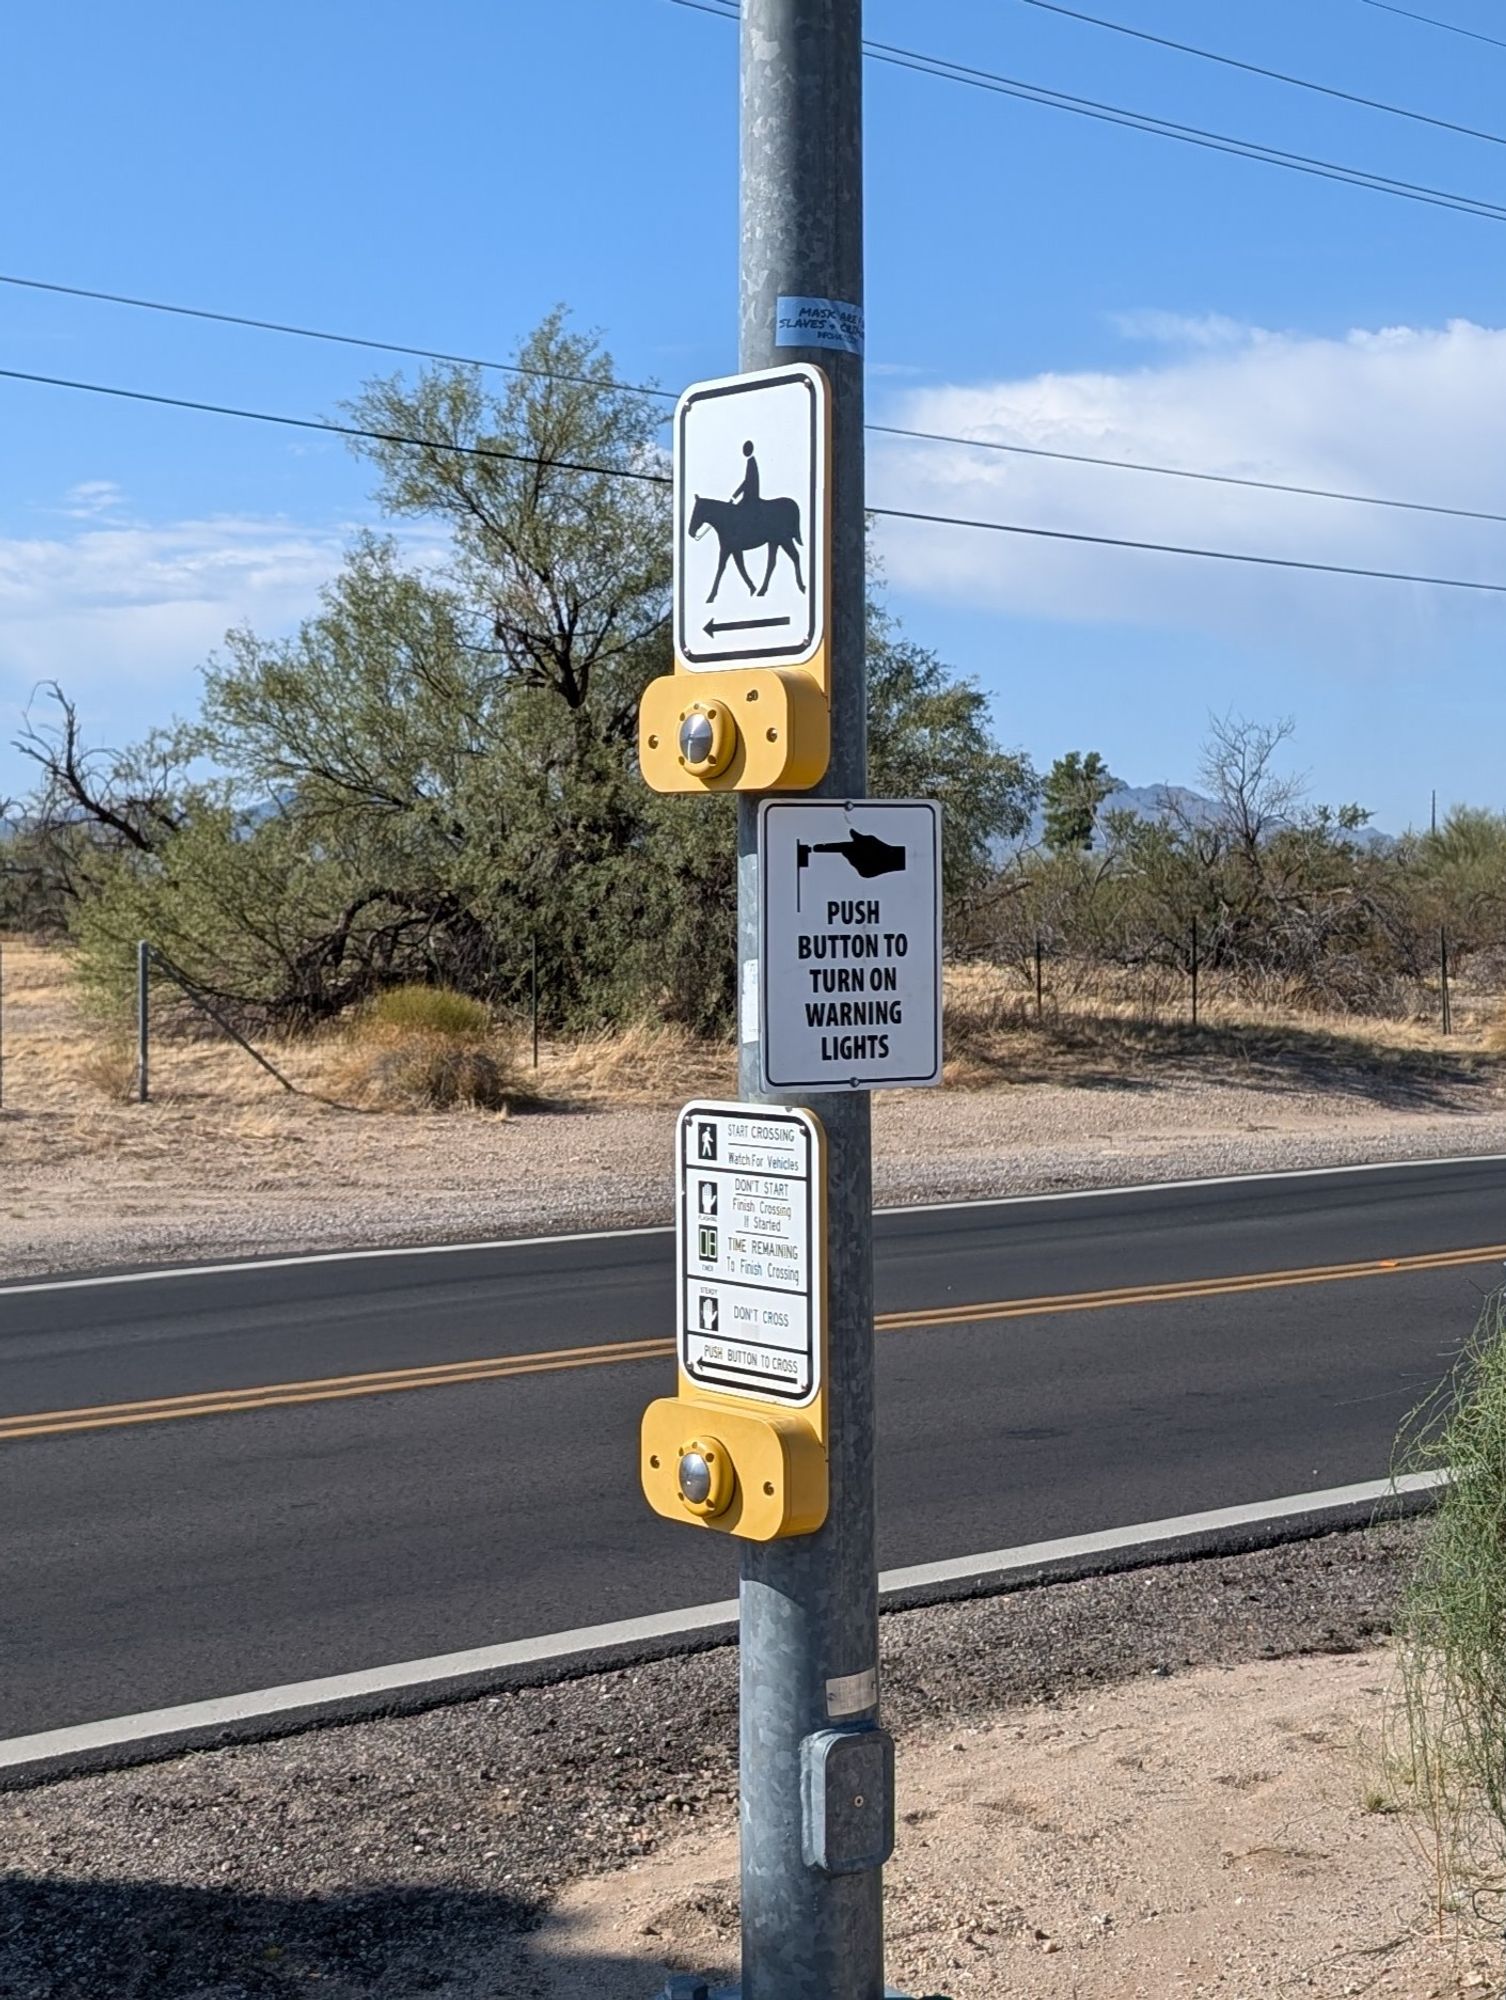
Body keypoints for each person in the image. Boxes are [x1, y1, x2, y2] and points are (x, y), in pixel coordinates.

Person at [732, 439, 760, 506]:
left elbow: (747, 482)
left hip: (750, 497)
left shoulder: (751, 462)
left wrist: (734, 496)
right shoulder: (750, 461)